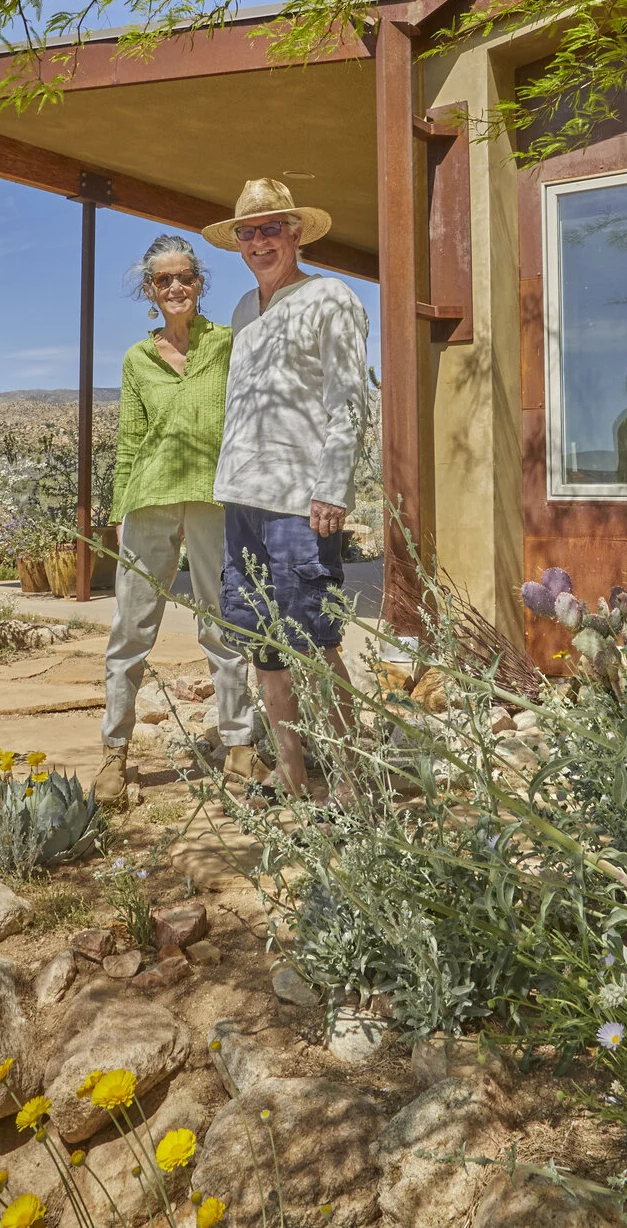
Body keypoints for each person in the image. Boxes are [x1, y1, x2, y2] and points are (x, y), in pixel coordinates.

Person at [207, 178, 370, 801]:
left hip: (302, 501)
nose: (258, 242)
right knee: (263, 643)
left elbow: (349, 401)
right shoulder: (245, 310)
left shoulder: (330, 297)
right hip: (242, 497)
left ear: (296, 233)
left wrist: (333, 489)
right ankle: (293, 771)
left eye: (271, 228)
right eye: (247, 232)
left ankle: (354, 781)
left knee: (313, 637)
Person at [97, 234, 262, 808]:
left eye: (184, 277)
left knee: (223, 623)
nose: (174, 287)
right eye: (163, 280)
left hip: (215, 499)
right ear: (149, 290)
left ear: (199, 284)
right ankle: (114, 756)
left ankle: (239, 746)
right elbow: (128, 444)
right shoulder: (137, 359)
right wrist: (119, 513)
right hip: (148, 500)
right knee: (131, 629)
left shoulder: (227, 344)